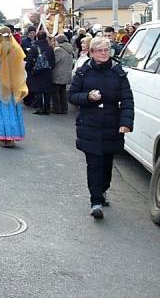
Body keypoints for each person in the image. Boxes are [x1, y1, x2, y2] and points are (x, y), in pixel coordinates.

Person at [68, 36, 134, 219]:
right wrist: (88, 97)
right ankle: (95, 201)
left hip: (111, 124)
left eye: (107, 50)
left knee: (106, 164)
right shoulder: (83, 72)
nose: (104, 53)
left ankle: (103, 190)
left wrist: (126, 122)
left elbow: (127, 99)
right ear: (92, 53)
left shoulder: (118, 72)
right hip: (89, 123)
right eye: (100, 50)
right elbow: (72, 95)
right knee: (94, 164)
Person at [0, 27, 28, 148]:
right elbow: (22, 67)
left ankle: (4, 136)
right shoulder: (16, 48)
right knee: (12, 109)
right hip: (13, 84)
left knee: (0, 110)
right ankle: (13, 135)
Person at [25, 31, 55, 115]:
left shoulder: (34, 47)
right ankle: (47, 107)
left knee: (38, 90)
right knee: (47, 90)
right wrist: (50, 67)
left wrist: (29, 69)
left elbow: (29, 60)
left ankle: (40, 107)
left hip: (37, 71)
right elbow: (53, 60)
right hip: (48, 71)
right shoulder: (50, 47)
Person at [51, 34, 75, 114]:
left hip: (58, 73)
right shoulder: (70, 49)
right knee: (63, 91)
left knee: (56, 92)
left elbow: (55, 61)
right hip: (66, 73)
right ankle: (64, 108)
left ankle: (57, 109)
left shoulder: (58, 50)